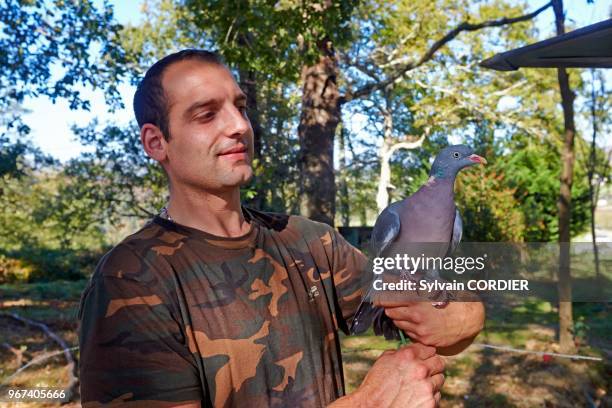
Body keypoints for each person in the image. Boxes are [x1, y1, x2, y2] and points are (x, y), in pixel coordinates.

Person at [78, 49, 484, 407]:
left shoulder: (309, 241)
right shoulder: (130, 282)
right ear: (156, 143)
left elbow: (426, 315)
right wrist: (370, 403)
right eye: (207, 114)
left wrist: (464, 317)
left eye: (241, 107)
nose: (239, 125)